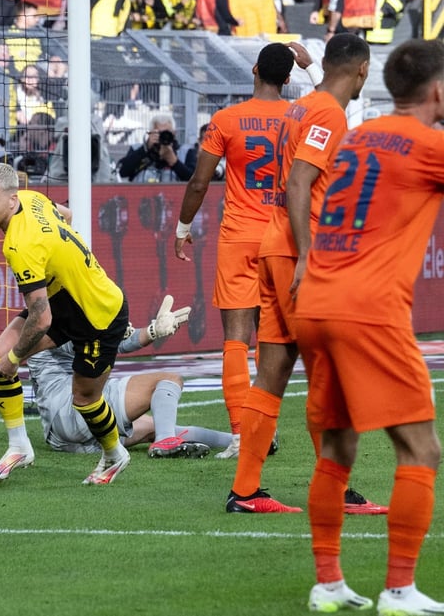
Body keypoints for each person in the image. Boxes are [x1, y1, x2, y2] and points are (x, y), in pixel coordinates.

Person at [296, 39, 444, 615]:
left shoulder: (358, 136)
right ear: (436, 92)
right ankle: (400, 590)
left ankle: (328, 584)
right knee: (421, 448)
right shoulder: (428, 145)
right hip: (369, 307)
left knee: (337, 445)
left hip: (316, 301)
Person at [226, 34, 386, 515]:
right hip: (298, 255)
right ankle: (334, 491)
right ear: (361, 71)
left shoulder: (302, 107)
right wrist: (312, 252)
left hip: (274, 248)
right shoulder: (327, 113)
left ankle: (246, 491)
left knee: (272, 375)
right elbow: (300, 180)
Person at [0, 162, 131, 485]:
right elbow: (68, 217)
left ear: (12, 200)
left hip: (99, 316)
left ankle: (116, 454)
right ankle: (19, 447)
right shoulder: (33, 198)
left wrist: (15, 359)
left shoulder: (20, 245)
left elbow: (41, 319)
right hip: (63, 301)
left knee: (85, 399)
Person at [174, 42, 296, 456]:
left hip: (239, 236)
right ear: (288, 79)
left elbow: (198, 182)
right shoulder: (299, 117)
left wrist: (182, 227)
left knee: (235, 340)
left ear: (255, 70)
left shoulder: (226, 119)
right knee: (273, 339)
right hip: (282, 236)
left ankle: (242, 434)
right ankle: (266, 429)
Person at [29, 295, 232, 458]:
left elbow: (112, 342)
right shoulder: (50, 318)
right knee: (168, 380)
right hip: (72, 411)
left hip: (63, 438)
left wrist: (154, 331)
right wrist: (107, 332)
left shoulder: (47, 313)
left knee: (158, 425)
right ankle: (166, 443)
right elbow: (81, 341)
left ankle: (240, 442)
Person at [117, 112, 192, 183]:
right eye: (159, 133)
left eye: (167, 133)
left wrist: (175, 162)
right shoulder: (137, 149)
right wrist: (145, 149)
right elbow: (120, 172)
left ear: (174, 134)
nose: (163, 137)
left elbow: (194, 181)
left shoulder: (185, 152)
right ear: (151, 133)